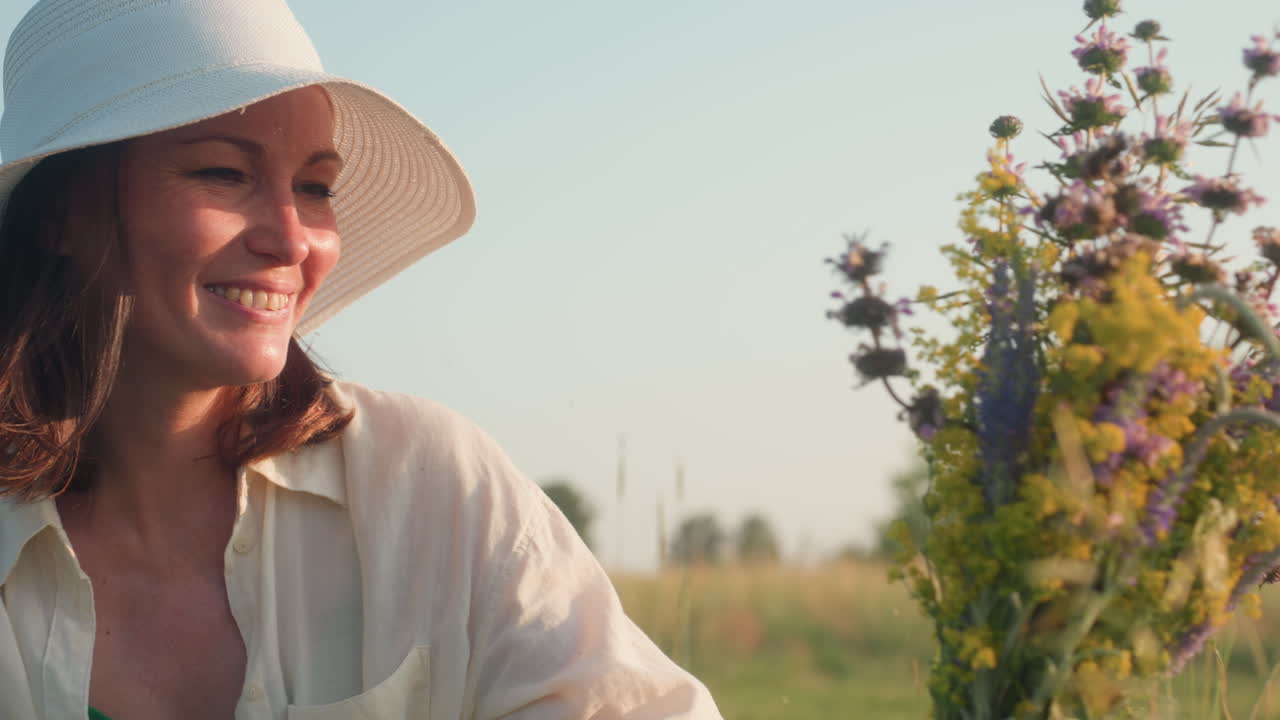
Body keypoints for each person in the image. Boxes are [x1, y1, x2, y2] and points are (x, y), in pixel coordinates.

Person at [0, 1, 724, 718]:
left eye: (315, 188)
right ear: (60, 213)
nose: (292, 241)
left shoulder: (431, 491)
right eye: (223, 172)